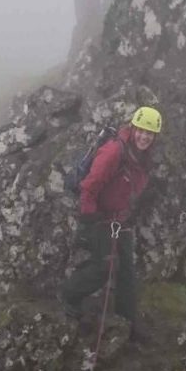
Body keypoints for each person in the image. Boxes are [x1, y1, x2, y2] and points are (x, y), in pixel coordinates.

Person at [59, 106, 162, 336]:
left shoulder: (143, 158)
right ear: (134, 128)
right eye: (141, 131)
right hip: (98, 216)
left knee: (127, 271)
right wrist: (89, 219)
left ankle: (129, 322)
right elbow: (89, 186)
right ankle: (69, 295)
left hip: (119, 220)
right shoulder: (114, 151)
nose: (144, 137)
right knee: (106, 265)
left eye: (150, 133)